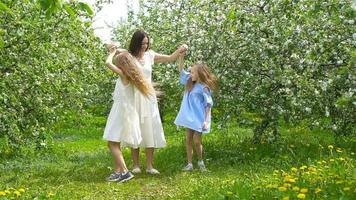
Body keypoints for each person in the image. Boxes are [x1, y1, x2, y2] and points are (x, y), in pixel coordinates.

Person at [125, 30, 187, 174]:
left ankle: (149, 166)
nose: (144, 46)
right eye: (142, 44)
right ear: (136, 43)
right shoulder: (129, 57)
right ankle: (135, 165)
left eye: (146, 43)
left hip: (148, 97)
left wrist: (180, 50)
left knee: (150, 128)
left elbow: (171, 58)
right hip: (134, 96)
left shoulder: (150, 55)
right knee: (135, 127)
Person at [102, 46, 155, 182]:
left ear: (122, 65)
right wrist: (119, 51)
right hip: (125, 110)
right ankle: (117, 171)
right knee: (115, 141)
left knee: (112, 143)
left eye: (118, 63)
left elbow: (107, 63)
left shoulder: (123, 75)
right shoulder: (132, 76)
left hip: (121, 111)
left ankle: (125, 172)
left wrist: (112, 53)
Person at [174, 52, 218, 172]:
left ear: (199, 74)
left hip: (199, 118)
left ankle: (200, 162)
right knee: (188, 139)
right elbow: (181, 70)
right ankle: (189, 164)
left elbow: (208, 105)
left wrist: (205, 121)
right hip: (189, 117)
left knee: (197, 141)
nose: (190, 74)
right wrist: (181, 57)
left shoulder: (203, 87)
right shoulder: (189, 82)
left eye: (193, 72)